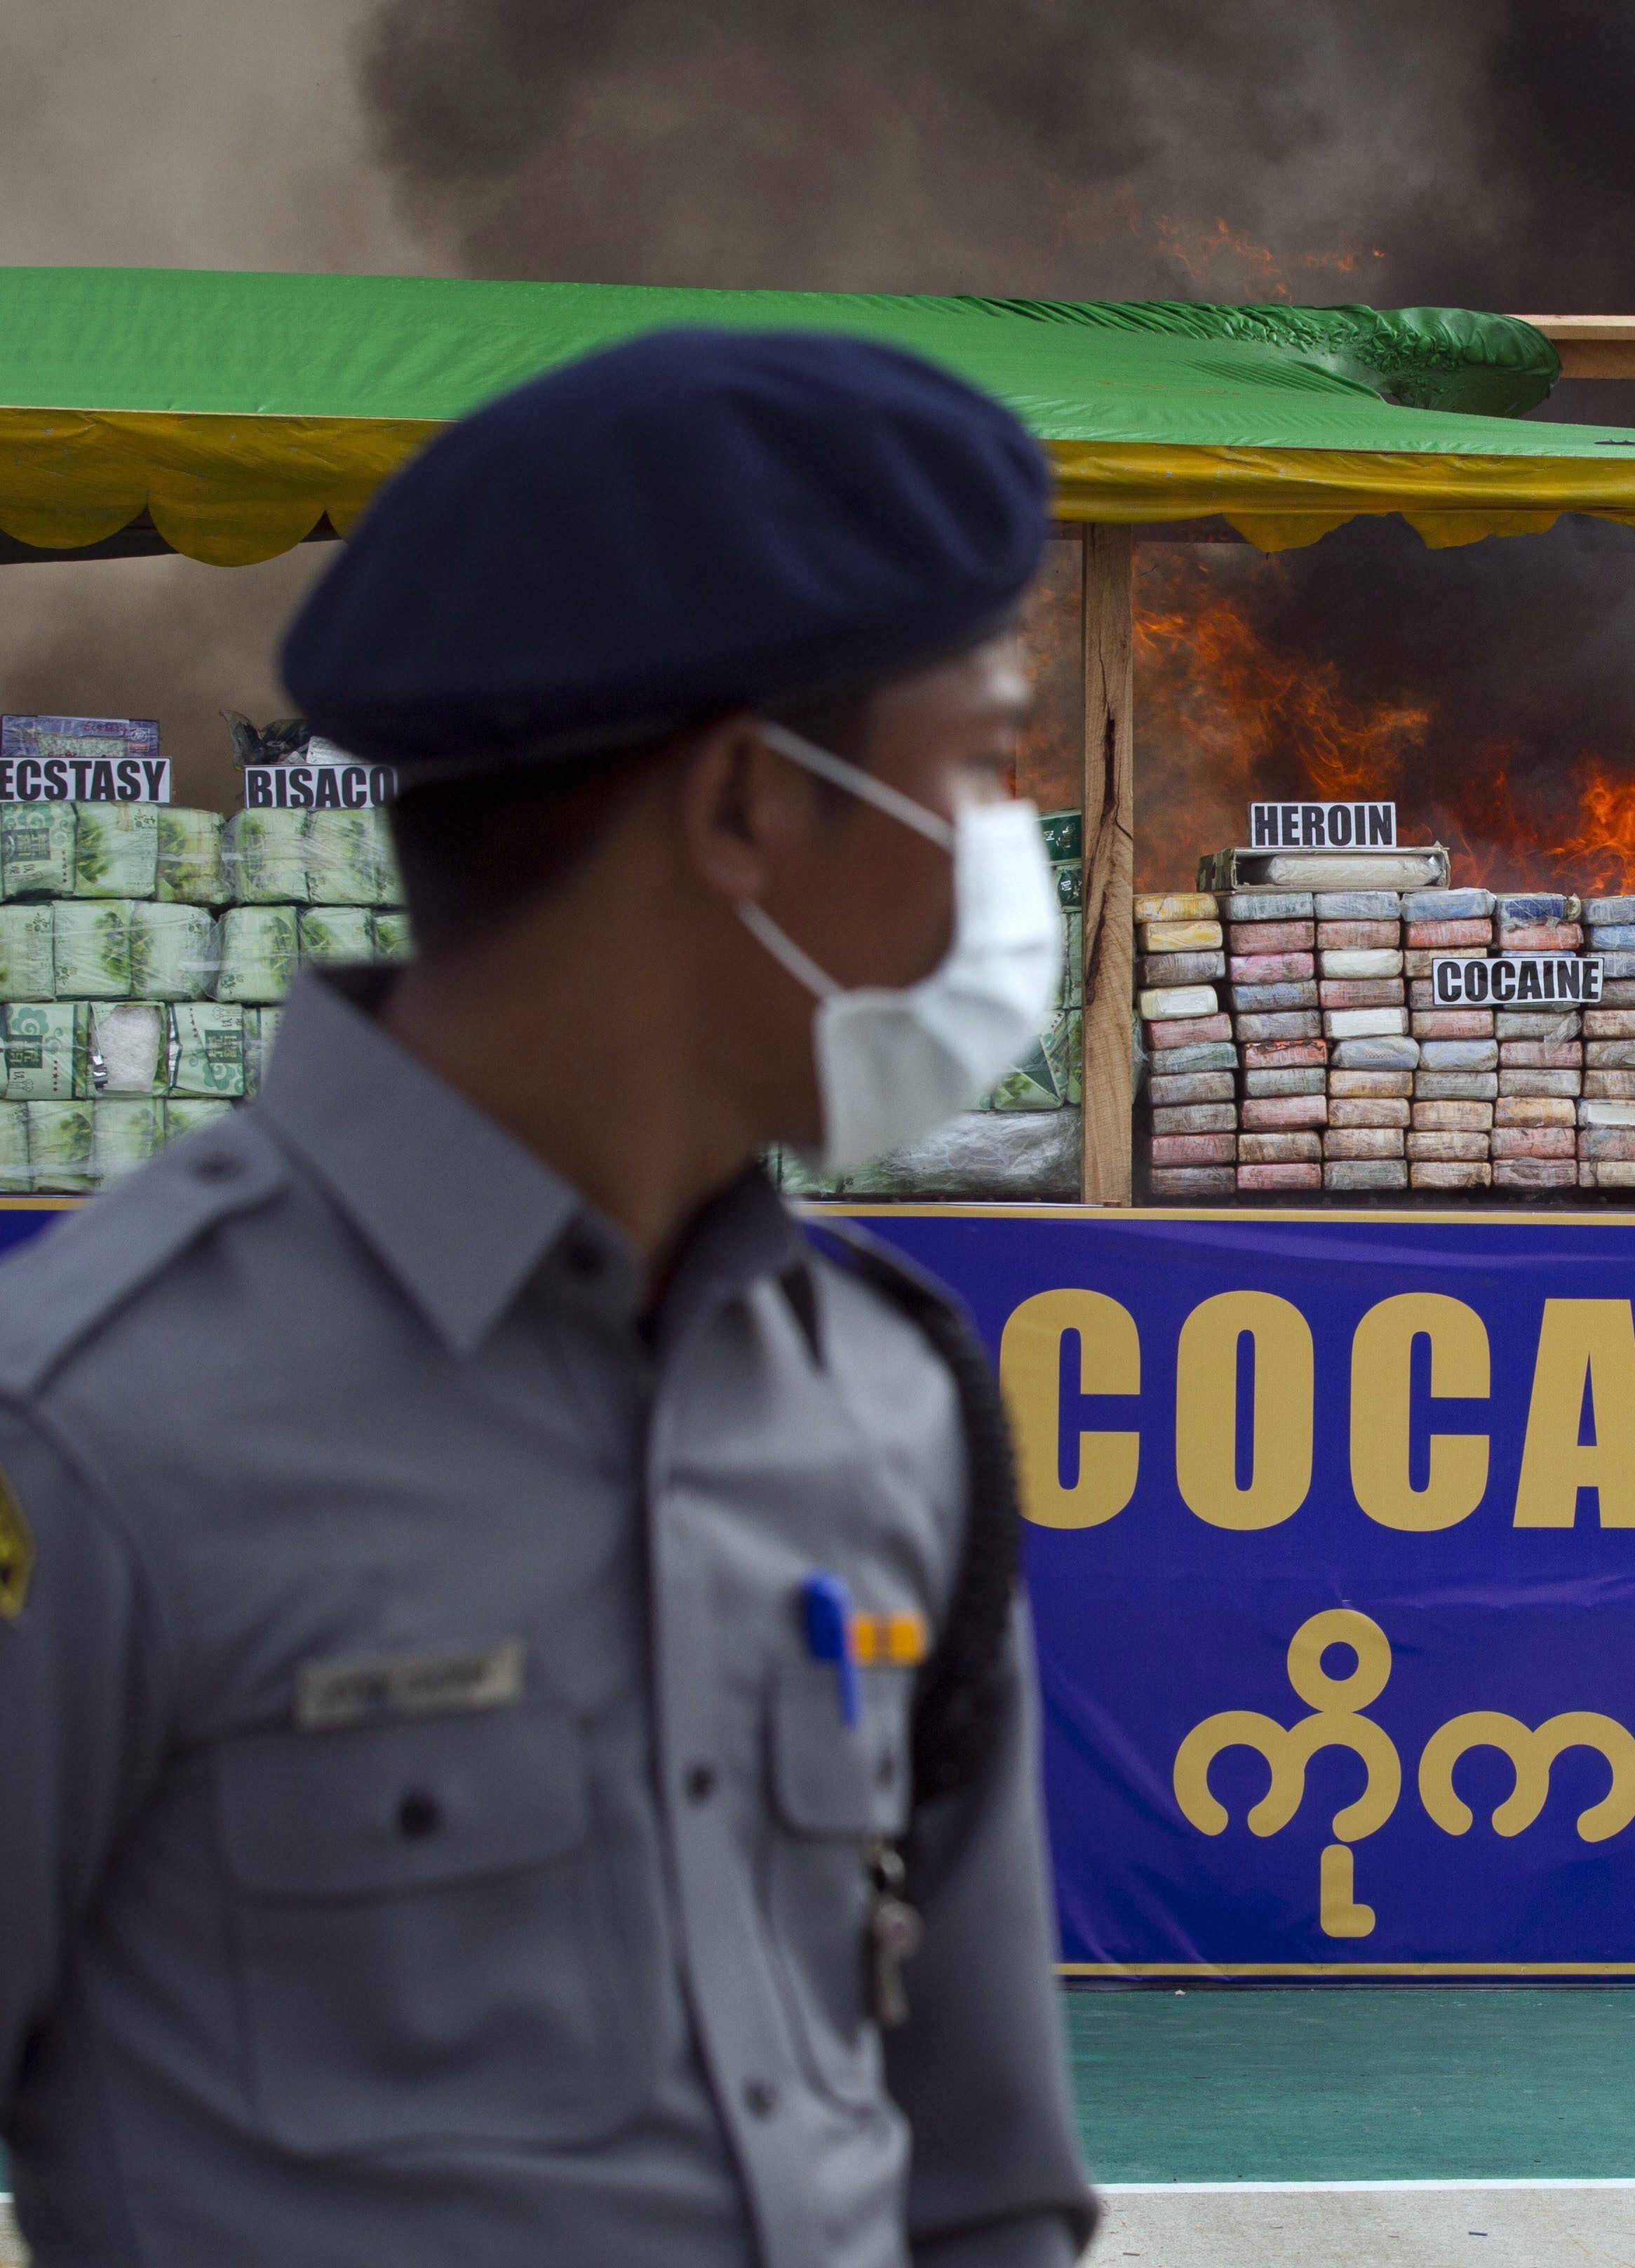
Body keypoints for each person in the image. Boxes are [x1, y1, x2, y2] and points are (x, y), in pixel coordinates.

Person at [0, 330, 1098, 2267]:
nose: (1014, 861)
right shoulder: (90, 1432)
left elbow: (983, 2183)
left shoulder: (892, 1405)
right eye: (983, 764)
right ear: (747, 806)